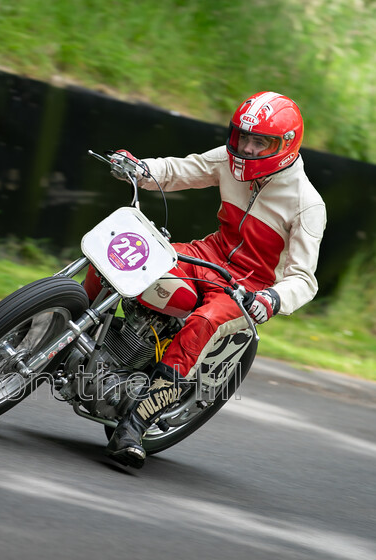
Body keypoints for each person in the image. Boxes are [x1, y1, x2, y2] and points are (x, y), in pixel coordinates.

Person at [104, 91, 327, 468]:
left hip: (247, 288)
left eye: (261, 143)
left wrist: (271, 300)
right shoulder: (229, 159)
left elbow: (304, 279)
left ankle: (135, 424)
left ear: (286, 146)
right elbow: (182, 170)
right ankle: (79, 329)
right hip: (206, 254)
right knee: (130, 252)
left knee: (204, 323)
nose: (248, 149)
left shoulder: (307, 204)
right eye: (243, 137)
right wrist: (141, 169)